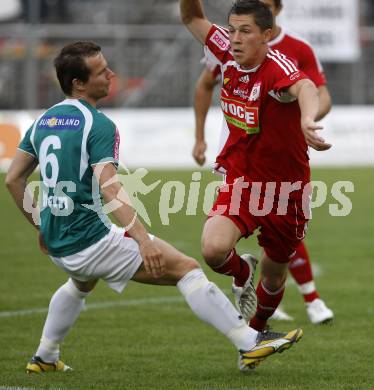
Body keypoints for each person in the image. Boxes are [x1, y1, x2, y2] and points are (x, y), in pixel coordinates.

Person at [5, 41, 302, 374]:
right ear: (78, 83)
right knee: (187, 269)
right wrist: (143, 241)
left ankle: (45, 355)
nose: (111, 74)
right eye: (102, 71)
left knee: (81, 282)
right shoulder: (98, 125)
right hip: (88, 241)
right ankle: (249, 343)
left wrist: (41, 225)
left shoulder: (44, 120)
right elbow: (110, 186)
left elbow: (14, 179)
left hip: (60, 241)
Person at [179, 0, 332, 333]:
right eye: (231, 30)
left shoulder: (278, 66)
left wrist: (307, 118)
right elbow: (192, 16)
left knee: (275, 274)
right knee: (213, 249)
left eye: (244, 31)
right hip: (242, 180)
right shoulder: (224, 52)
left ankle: (258, 331)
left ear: (266, 35)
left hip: (286, 191)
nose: (234, 38)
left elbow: (306, 87)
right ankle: (243, 273)